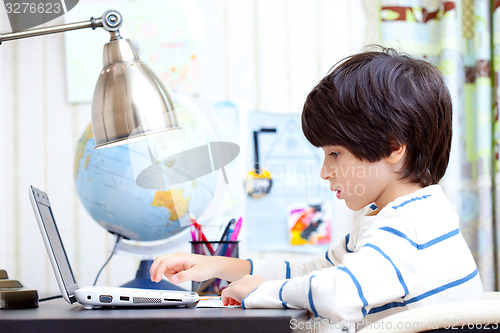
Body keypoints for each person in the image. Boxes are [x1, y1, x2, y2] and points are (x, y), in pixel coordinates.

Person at [150, 47, 483, 328]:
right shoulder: (396, 215)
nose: (325, 172)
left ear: (394, 147)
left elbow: (337, 295)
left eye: (335, 153)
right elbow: (314, 271)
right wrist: (218, 266)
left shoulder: (410, 225)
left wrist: (262, 293)